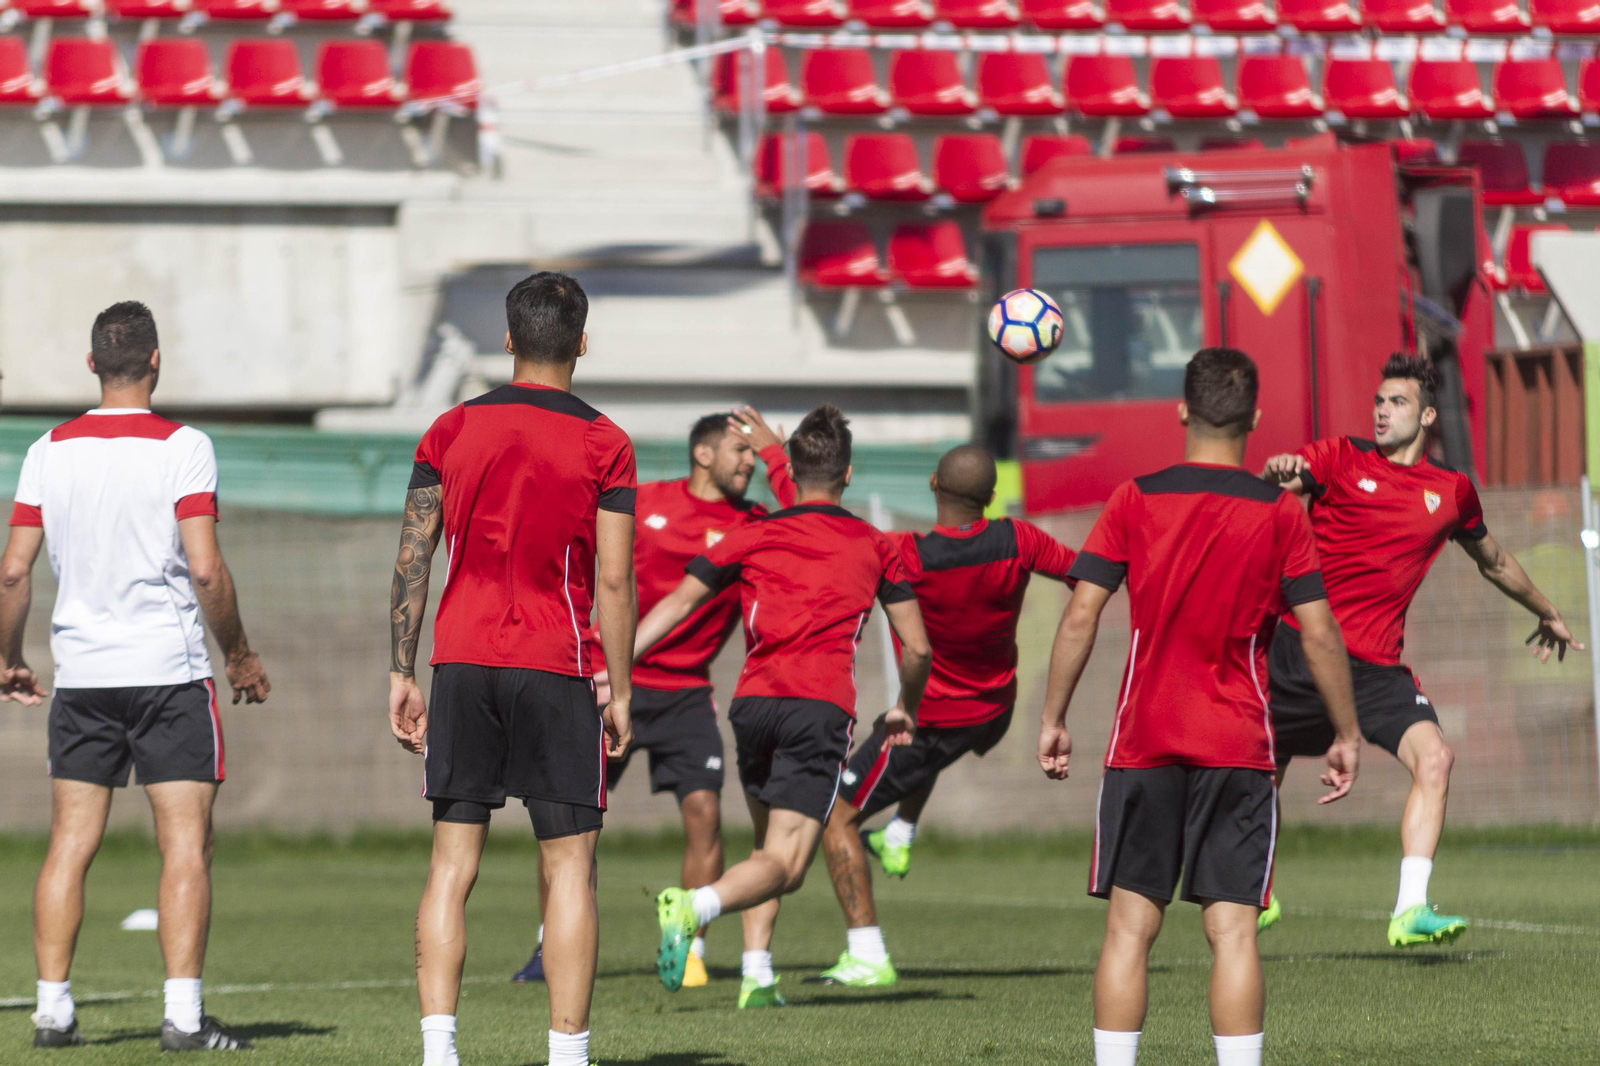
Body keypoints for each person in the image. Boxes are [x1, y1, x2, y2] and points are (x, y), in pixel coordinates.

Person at [1038, 347, 1361, 1066]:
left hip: (1143, 739)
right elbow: (1318, 632)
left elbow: (1080, 615)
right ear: (1253, 417)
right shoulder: (1280, 511)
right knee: (1234, 933)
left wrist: (1054, 717)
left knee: (1129, 930)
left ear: (1182, 409)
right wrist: (1346, 730)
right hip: (1239, 744)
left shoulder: (1134, 497)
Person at [0, 301, 270, 1052]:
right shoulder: (183, 445)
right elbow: (206, 569)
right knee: (184, 844)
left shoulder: (49, 449)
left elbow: (13, 569)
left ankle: (52, 1010)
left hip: (83, 675)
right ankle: (183, 1017)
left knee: (70, 843)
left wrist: (8, 657)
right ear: (156, 360)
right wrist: (241, 652)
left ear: (92, 365)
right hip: (169, 674)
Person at [388, 272, 636, 1066]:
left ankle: (438, 1052)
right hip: (556, 664)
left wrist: (401, 671)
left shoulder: (449, 428)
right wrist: (621, 687)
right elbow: (616, 580)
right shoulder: (606, 442)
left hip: (461, 660)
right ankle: (567, 1056)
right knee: (569, 866)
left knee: (451, 863)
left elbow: (411, 558)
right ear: (583, 344)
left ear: (507, 339)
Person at [1259, 352, 1584, 947]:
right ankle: (1252, 887)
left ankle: (1410, 911)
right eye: (1380, 402)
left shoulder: (1451, 491)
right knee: (1259, 770)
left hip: (1378, 669)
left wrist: (1546, 611)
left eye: (1398, 402)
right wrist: (1279, 469)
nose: (1383, 411)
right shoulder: (1339, 457)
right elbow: (1288, 475)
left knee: (1435, 760)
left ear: (1429, 415)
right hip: (1300, 649)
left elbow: (1495, 563)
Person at [639, 405, 931, 1009]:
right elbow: (919, 648)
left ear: (791, 474)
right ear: (848, 476)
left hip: (752, 709)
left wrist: (613, 669)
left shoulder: (754, 531)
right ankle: (694, 904)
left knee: (767, 849)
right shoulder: (876, 544)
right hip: (816, 711)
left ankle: (757, 973)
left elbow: (676, 605)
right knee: (788, 866)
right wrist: (904, 706)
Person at [512, 407, 796, 988]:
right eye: (741, 451)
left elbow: (813, 520)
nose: (750, 462)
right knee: (570, 824)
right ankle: (549, 945)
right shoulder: (645, 501)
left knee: (706, 815)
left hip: (687, 693)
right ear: (703, 454)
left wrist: (777, 456)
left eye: (754, 454)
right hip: (607, 682)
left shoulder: (757, 522)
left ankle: (686, 947)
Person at [814, 443, 1077, 987]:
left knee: (835, 815)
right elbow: (1087, 576)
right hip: (995, 708)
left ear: (934, 483)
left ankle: (867, 954)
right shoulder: (1018, 539)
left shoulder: (903, 553)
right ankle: (901, 836)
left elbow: (824, 529)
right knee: (917, 757)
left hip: (931, 720)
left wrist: (779, 463)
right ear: (991, 496)